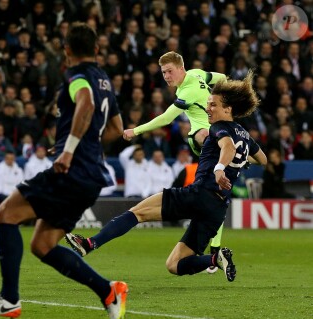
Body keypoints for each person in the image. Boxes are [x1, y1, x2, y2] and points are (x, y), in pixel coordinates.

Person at [0, 23, 127, 319]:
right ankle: (109, 291)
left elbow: (86, 104)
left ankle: (9, 300)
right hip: (91, 176)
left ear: (66, 50)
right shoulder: (105, 80)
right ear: (96, 50)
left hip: (72, 171)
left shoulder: (76, 77)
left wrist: (69, 150)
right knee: (42, 245)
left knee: (6, 214)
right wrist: (87, 145)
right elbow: (114, 130)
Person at [66, 72, 268, 283]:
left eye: (213, 105)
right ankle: (215, 259)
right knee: (174, 265)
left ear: (228, 109)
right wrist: (241, 160)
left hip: (199, 194)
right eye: (208, 104)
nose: (208, 108)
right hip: (218, 209)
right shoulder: (245, 135)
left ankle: (89, 244)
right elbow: (262, 159)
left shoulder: (218, 128)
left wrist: (219, 168)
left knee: (138, 213)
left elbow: (226, 146)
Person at [123, 51, 228, 257]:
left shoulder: (187, 92)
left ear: (181, 69)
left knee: (219, 194)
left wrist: (135, 130)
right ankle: (239, 155)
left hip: (213, 136)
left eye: (170, 71)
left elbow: (165, 118)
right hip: (203, 138)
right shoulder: (198, 74)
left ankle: (215, 250)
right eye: (163, 73)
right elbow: (222, 78)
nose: (166, 76)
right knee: (209, 137)